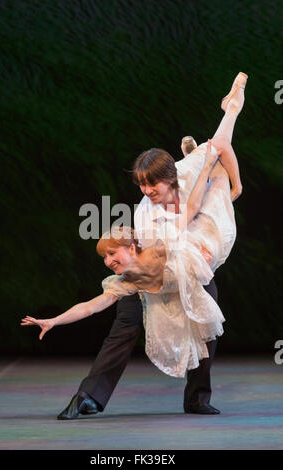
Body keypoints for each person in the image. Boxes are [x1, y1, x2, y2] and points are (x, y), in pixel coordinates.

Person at [21, 72, 247, 418]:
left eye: (152, 185)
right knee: (123, 326)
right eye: (142, 185)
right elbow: (99, 297)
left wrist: (236, 185)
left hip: (194, 251)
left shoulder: (186, 174)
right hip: (151, 270)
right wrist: (54, 320)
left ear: (169, 177)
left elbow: (222, 145)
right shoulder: (146, 217)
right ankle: (88, 396)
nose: (146, 192)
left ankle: (197, 397)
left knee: (205, 328)